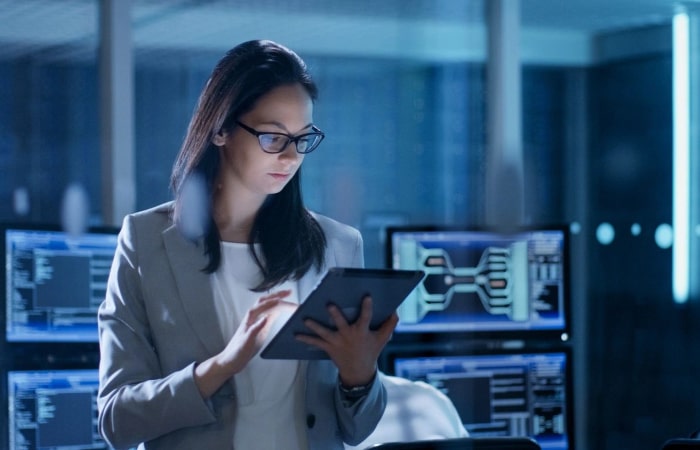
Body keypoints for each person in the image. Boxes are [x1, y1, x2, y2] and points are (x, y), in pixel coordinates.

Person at [97, 39, 397, 450]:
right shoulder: (146, 242)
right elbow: (116, 420)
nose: (291, 157)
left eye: (303, 139)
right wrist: (220, 367)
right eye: (273, 138)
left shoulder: (338, 245)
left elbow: (356, 430)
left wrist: (359, 376)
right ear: (220, 129)